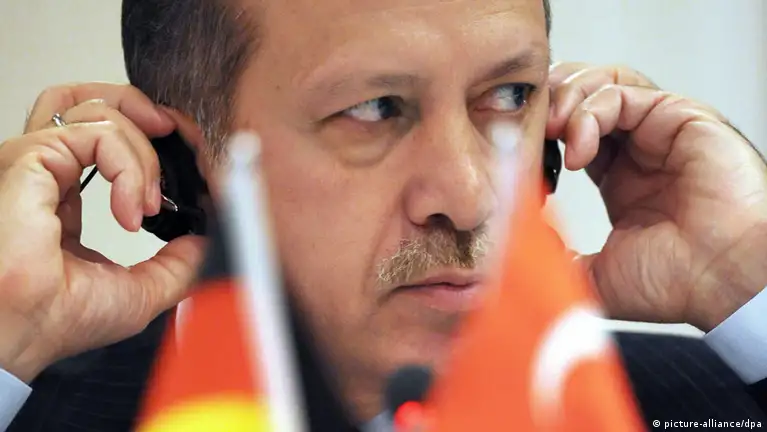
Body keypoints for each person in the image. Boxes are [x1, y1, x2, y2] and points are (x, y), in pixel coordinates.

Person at [1, 0, 766, 430]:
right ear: (182, 161)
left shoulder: (704, 401)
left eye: (509, 95)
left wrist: (745, 271)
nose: (469, 197)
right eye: (374, 108)